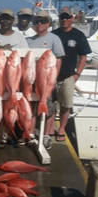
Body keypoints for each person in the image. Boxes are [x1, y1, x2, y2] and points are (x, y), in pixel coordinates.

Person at [0, 8, 29, 149]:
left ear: (12, 21)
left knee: (10, 106)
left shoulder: (19, 37)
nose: (5, 21)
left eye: (8, 19)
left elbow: (25, 56)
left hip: (12, 77)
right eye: (3, 18)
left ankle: (7, 134)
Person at [51, 7, 91, 142]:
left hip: (69, 76)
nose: (64, 20)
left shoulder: (78, 35)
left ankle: (61, 129)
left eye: (67, 17)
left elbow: (83, 57)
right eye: (62, 17)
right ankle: (49, 129)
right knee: (50, 104)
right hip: (52, 76)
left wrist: (77, 74)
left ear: (72, 19)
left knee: (66, 105)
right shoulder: (53, 34)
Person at [27, 10, 65, 149]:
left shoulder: (54, 39)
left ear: (48, 23)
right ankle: (30, 133)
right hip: (32, 80)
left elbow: (59, 59)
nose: (39, 24)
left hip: (48, 79)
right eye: (37, 21)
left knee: (49, 108)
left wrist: (54, 78)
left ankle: (46, 135)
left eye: (42, 21)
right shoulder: (29, 40)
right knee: (31, 107)